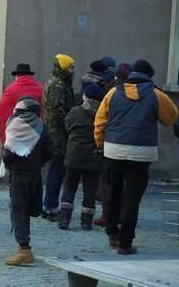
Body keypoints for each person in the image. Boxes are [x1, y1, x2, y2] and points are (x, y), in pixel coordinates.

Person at [94, 60, 178, 254]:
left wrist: (100, 144)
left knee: (113, 193)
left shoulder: (113, 92)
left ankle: (112, 233)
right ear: (149, 76)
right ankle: (125, 243)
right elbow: (170, 118)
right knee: (132, 198)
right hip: (141, 152)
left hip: (114, 150)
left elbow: (100, 122)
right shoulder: (156, 95)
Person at [3, 97, 53, 266]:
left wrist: (10, 165)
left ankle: (24, 249)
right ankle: (24, 246)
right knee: (27, 208)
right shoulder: (41, 126)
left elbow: (8, 153)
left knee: (18, 209)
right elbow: (49, 150)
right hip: (35, 173)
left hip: (18, 173)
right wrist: (38, 163)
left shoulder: (15, 124)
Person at [57, 83, 105, 231]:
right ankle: (86, 222)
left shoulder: (75, 111)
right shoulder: (103, 113)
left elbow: (66, 127)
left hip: (74, 155)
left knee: (69, 187)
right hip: (94, 156)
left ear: (86, 96)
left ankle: (64, 220)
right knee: (90, 190)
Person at [42, 53, 75, 221]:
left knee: (56, 171)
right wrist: (69, 126)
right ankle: (50, 207)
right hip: (57, 135)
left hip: (56, 132)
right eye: (70, 67)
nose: (73, 70)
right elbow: (57, 111)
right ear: (63, 68)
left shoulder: (58, 82)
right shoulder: (57, 85)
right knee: (56, 171)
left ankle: (49, 206)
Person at [0, 63, 43, 143]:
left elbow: (0, 110)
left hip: (17, 133)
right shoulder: (41, 88)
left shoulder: (11, 89)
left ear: (17, 76)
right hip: (37, 131)